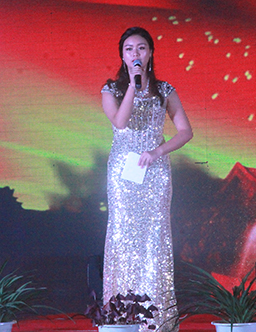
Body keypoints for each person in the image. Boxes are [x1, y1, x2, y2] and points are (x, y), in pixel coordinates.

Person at [101, 27, 193, 331]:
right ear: (122, 56)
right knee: (122, 236)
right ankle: (122, 318)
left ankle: (156, 321)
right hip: (123, 174)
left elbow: (185, 131)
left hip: (154, 173)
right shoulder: (111, 89)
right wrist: (133, 85)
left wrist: (157, 151)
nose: (135, 54)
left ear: (150, 52)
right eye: (129, 49)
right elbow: (120, 122)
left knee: (154, 239)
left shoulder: (164, 90)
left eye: (141, 48)